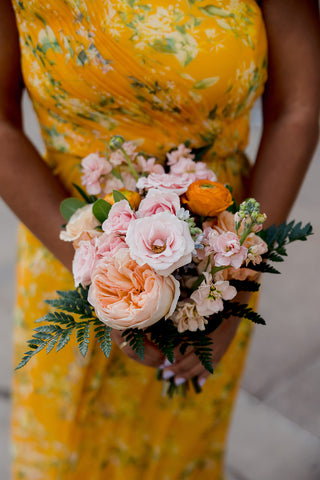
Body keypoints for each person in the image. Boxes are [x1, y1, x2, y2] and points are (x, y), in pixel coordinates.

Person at [0, 0, 319, 478]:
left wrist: (233, 280)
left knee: (181, 451)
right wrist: (105, 278)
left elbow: (298, 106)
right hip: (67, 247)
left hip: (217, 263)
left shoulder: (224, 279)